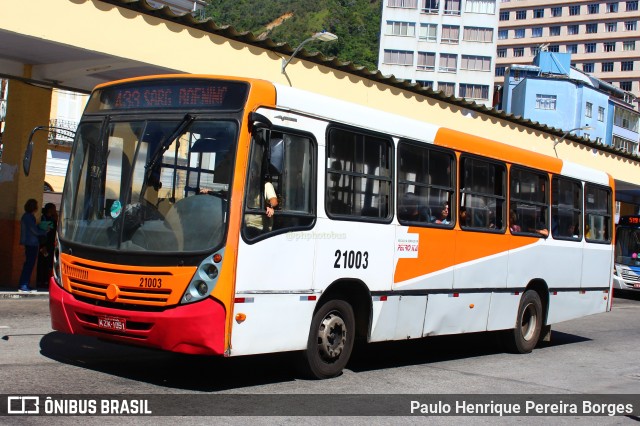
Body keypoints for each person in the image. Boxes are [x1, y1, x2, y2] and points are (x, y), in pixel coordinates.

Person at [19, 199, 49, 292]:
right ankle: (23, 284)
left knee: (29, 264)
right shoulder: (28, 217)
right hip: (31, 243)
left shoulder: (27, 216)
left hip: (31, 243)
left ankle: (25, 283)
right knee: (29, 264)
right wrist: (44, 231)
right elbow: (34, 231)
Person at [37, 203, 57, 289]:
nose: (55, 210)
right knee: (42, 263)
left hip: (51, 245)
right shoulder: (43, 218)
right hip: (44, 245)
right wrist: (43, 245)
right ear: (49, 209)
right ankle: (41, 280)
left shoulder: (53, 219)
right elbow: (44, 232)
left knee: (49, 263)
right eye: (54, 209)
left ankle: (46, 280)